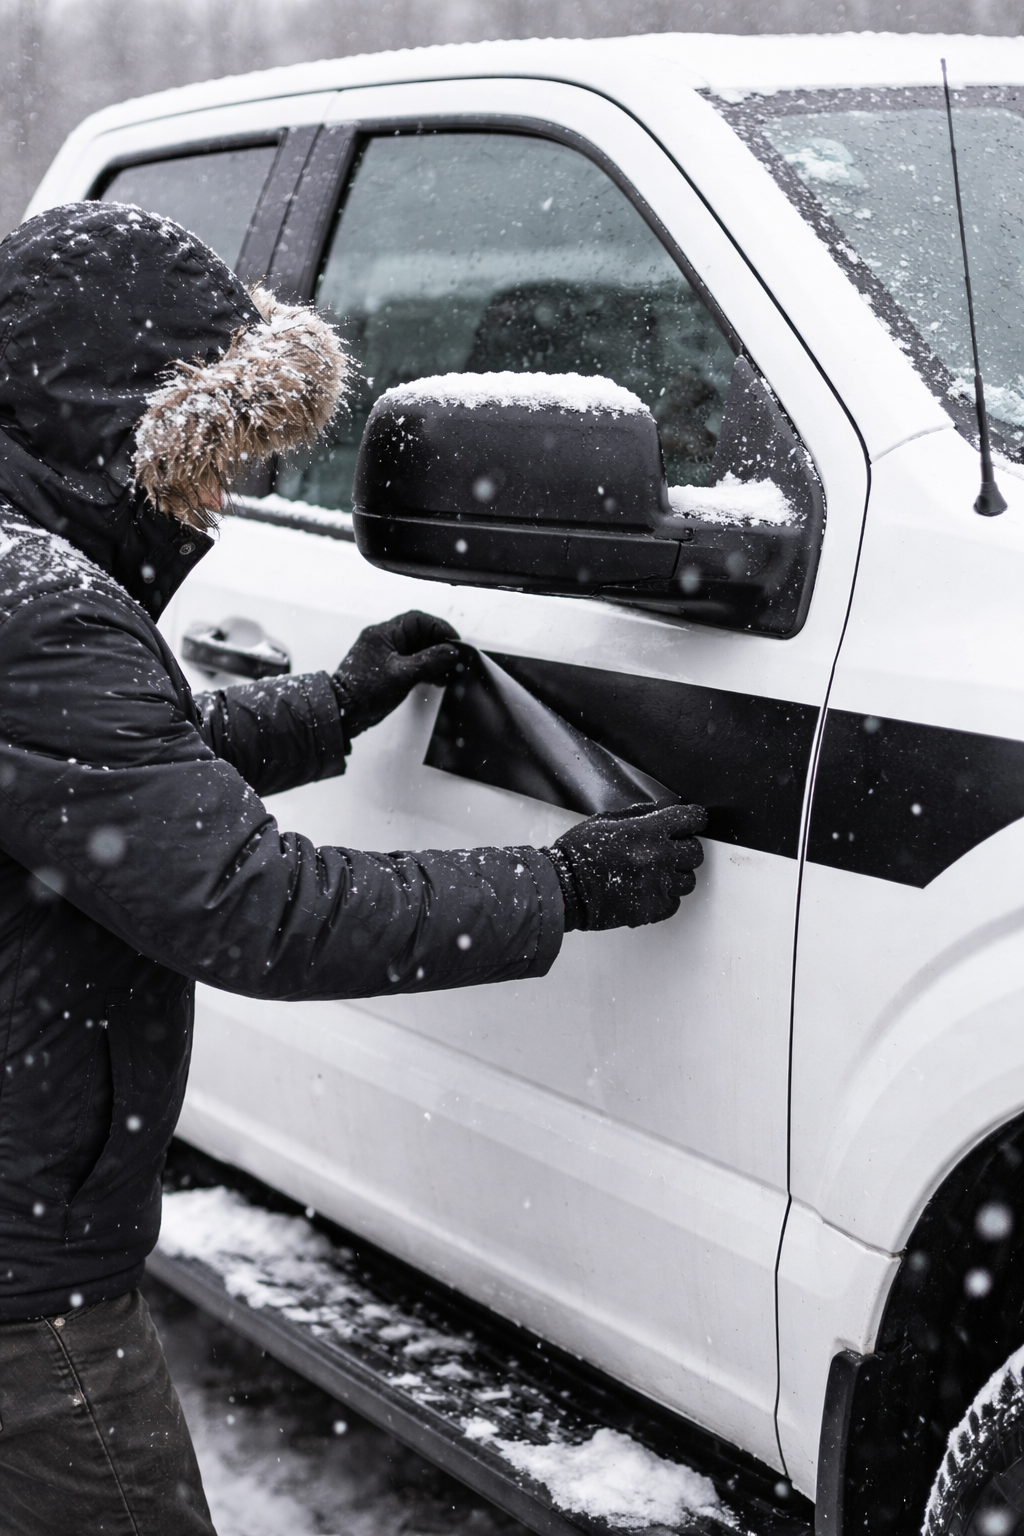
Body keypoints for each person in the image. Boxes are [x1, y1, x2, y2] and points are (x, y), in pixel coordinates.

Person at [0, 203, 706, 1534]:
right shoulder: (38, 609)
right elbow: (256, 910)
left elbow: (102, 786)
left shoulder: (18, 577)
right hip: (24, 1295)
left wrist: (328, 709)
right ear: (113, 426)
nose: (226, 499)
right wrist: (562, 885)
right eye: (213, 453)